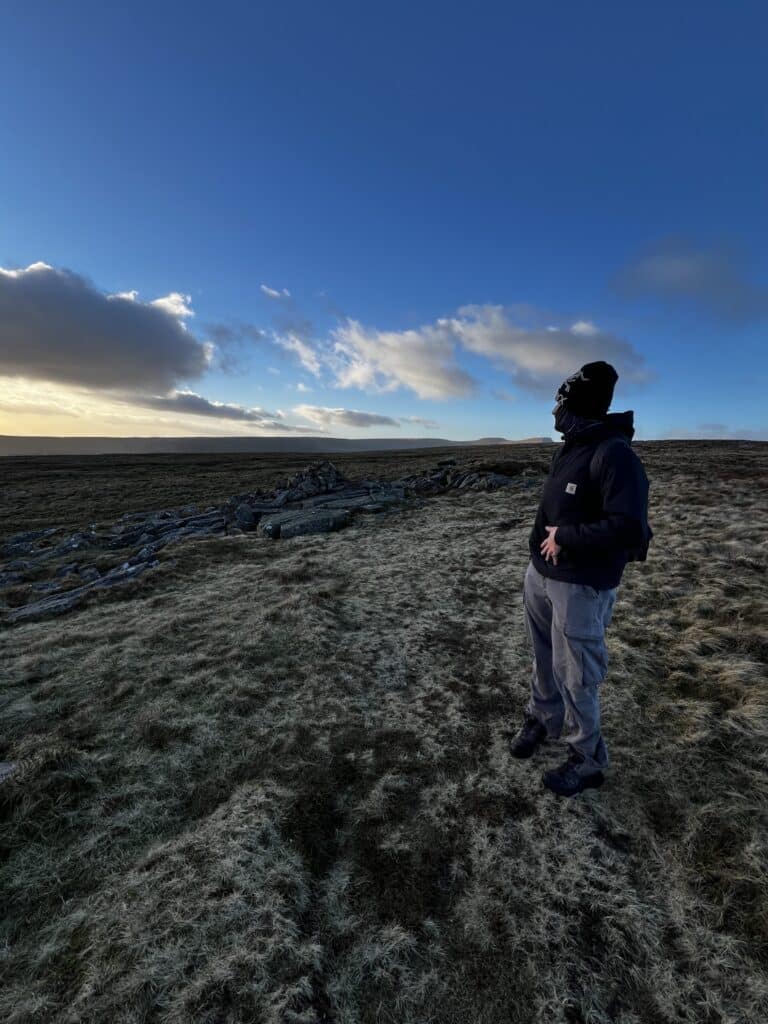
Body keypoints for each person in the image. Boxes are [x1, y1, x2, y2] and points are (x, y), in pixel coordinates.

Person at [510, 360, 652, 797]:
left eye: (561, 400)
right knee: (545, 657)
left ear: (578, 404)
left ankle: (587, 758)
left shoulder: (614, 454)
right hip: (543, 576)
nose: (555, 409)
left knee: (577, 673)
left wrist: (567, 538)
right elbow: (550, 510)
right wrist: (536, 555)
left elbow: (632, 529)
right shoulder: (571, 447)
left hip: (581, 585)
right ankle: (545, 718)